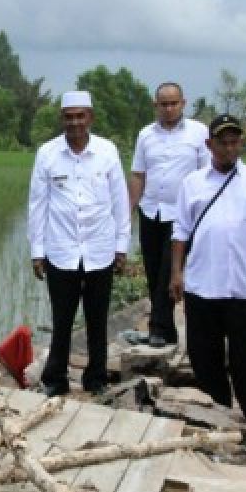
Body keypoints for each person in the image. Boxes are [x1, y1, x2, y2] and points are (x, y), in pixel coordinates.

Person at [169, 114, 246, 426]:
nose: (229, 148)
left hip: (243, 281)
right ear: (209, 145)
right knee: (204, 350)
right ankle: (214, 404)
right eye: (223, 142)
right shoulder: (193, 183)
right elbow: (181, 231)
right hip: (203, 280)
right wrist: (177, 272)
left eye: (234, 142)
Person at [28, 90, 131, 396]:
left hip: (100, 249)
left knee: (97, 320)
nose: (74, 122)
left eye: (80, 116)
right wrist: (37, 252)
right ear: (62, 119)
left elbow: (120, 202)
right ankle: (55, 379)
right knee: (62, 320)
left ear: (90, 118)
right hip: (61, 251)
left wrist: (121, 246)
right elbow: (37, 205)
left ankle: (95, 378)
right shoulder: (47, 154)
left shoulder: (107, 151)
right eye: (69, 117)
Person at [129, 82, 209, 348]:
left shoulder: (199, 133)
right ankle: (167, 328)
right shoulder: (145, 135)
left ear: (183, 103)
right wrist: (129, 208)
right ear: (155, 106)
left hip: (182, 214)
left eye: (174, 103)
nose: (169, 108)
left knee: (167, 270)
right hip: (151, 210)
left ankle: (159, 328)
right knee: (153, 270)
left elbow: (206, 176)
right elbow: (139, 174)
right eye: (163, 104)